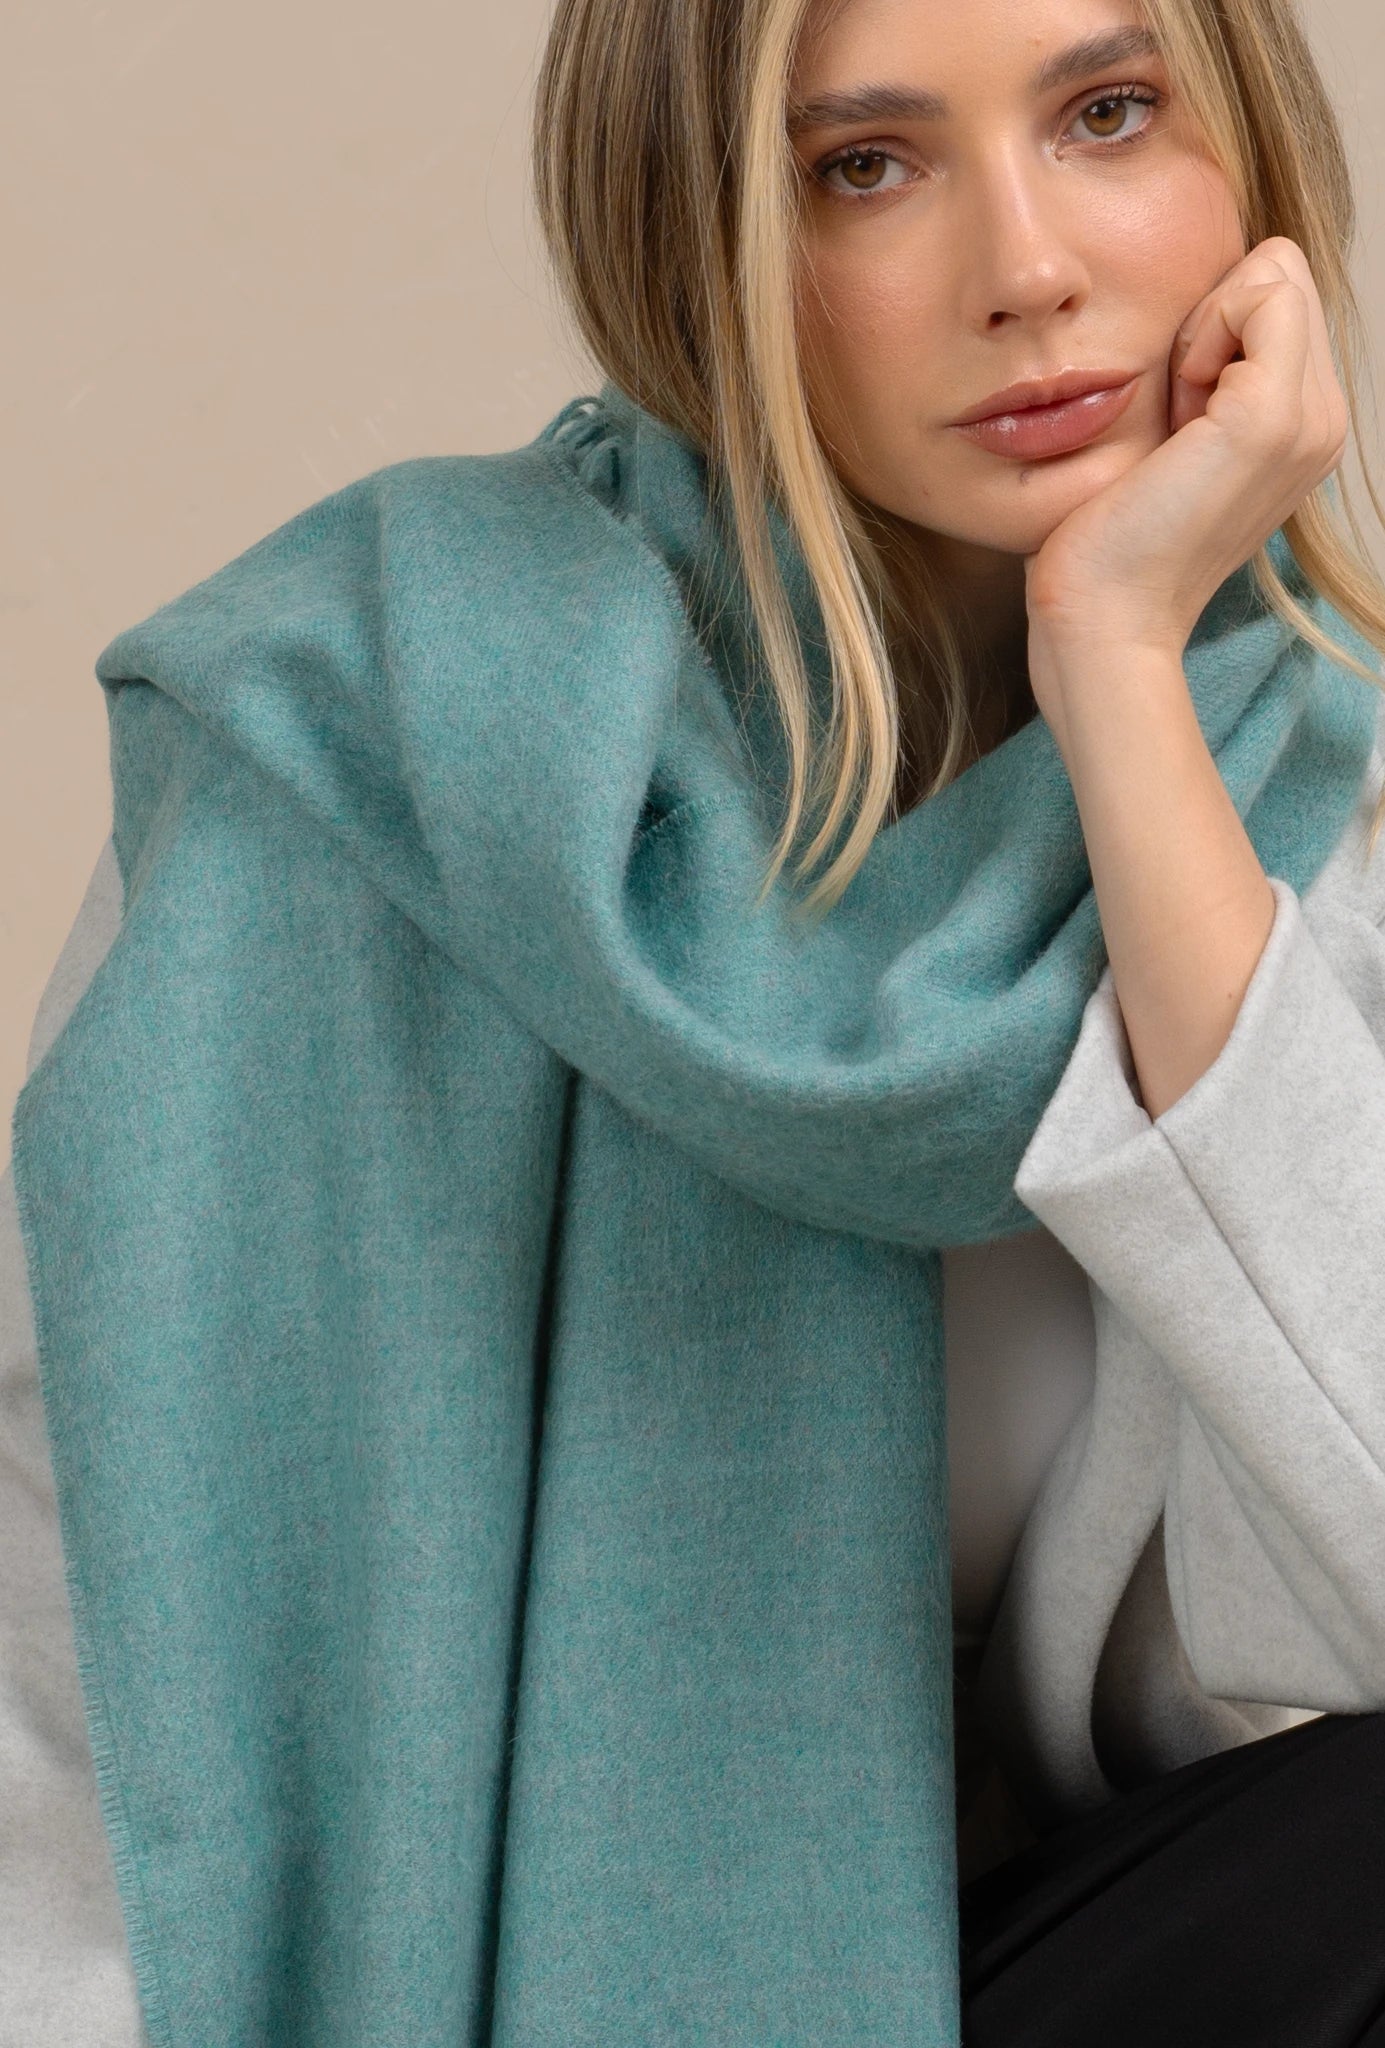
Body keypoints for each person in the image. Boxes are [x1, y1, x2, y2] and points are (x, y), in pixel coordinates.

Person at [6, 0, 1385, 2041]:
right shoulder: (377, 733)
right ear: (693, 240)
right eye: (864, 167)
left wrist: (1117, 668)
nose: (1026, 270)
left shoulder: (1311, 800)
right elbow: (77, 1649)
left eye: (1106, 115)